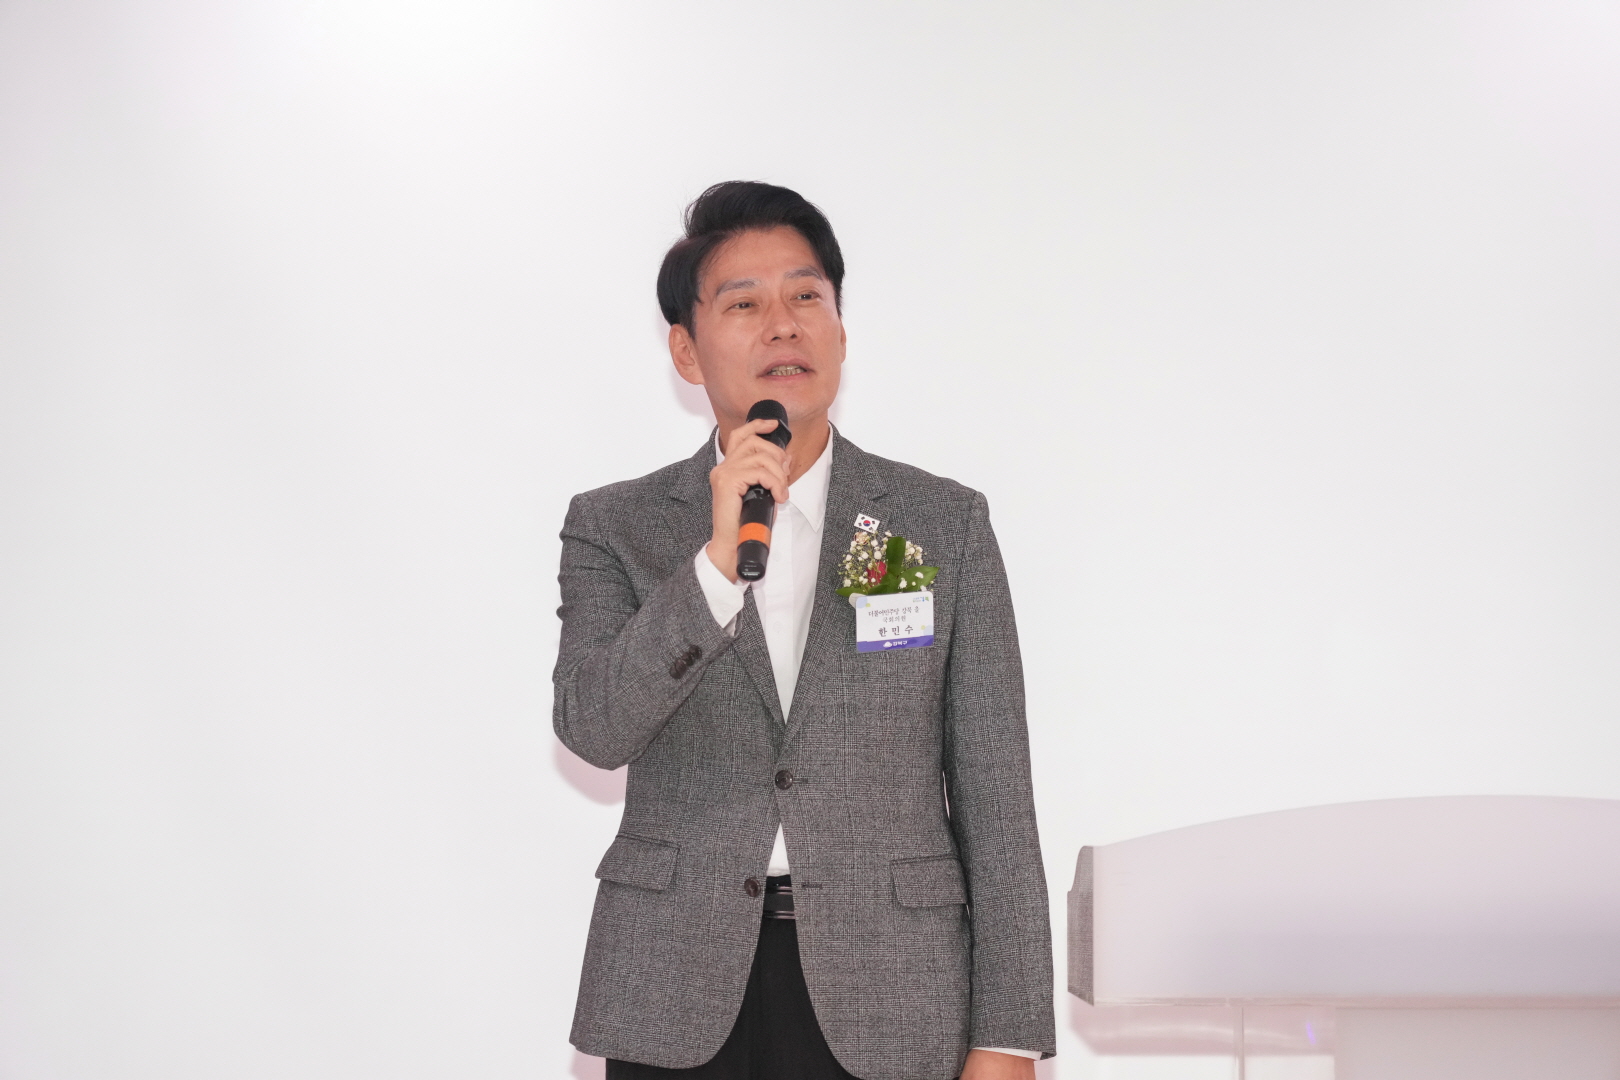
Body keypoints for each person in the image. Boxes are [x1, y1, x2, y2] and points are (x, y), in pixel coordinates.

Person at [553, 181, 1054, 1080]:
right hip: (673, 988)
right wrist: (713, 567)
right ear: (686, 349)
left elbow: (997, 794)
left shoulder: (940, 524)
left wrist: (1009, 1035)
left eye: (806, 296)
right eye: (744, 304)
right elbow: (592, 727)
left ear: (841, 331)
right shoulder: (614, 526)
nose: (783, 325)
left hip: (892, 992)